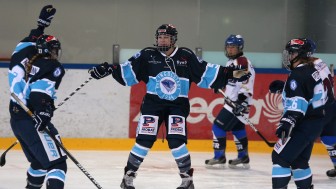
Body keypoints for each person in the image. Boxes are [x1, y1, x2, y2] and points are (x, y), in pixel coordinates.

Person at [88, 24, 251, 189]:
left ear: (173, 39)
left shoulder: (186, 56)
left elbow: (207, 71)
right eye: (160, 37)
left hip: (177, 106)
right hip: (153, 104)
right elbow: (127, 71)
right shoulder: (147, 55)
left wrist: (233, 73)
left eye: (166, 37)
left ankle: (187, 180)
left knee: (176, 142)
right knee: (144, 141)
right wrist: (109, 69)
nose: (162, 40)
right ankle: (128, 177)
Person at [8, 6, 67, 189]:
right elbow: (39, 94)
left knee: (40, 163)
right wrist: (44, 110)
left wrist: (40, 26)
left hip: (17, 119)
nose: (55, 53)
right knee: (57, 164)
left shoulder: (20, 52)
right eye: (53, 50)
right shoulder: (52, 67)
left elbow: (30, 39)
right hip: (33, 118)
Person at [269, 38, 336, 179]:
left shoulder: (304, 70)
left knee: (302, 141)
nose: (290, 56)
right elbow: (314, 86)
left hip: (316, 110)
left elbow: (307, 88)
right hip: (329, 105)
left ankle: (296, 166)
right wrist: (285, 87)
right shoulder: (319, 63)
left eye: (293, 53)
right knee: (329, 138)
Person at [204, 34, 255, 169]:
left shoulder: (242, 62)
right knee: (238, 128)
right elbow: (232, 81)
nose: (230, 49)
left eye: (233, 47)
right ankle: (243, 156)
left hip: (237, 104)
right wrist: (220, 85)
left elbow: (246, 82)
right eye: (228, 47)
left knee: (218, 126)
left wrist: (242, 101)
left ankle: (219, 156)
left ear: (240, 48)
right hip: (235, 103)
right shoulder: (231, 63)